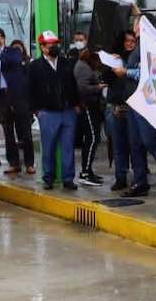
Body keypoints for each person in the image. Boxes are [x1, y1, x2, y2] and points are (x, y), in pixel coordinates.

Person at [116, 15, 156, 201]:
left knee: (150, 141)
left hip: (146, 103)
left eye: (136, 24)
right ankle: (140, 182)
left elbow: (149, 72)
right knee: (135, 144)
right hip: (133, 103)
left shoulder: (152, 45)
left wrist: (126, 71)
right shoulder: (139, 46)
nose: (134, 27)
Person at [29, 31, 81, 191]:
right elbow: (29, 89)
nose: (54, 47)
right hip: (48, 113)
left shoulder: (66, 63)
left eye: (55, 44)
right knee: (48, 147)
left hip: (68, 111)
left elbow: (73, 84)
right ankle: (48, 178)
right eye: (50, 44)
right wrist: (37, 111)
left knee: (68, 147)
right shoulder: (35, 66)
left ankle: (68, 179)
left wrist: (76, 105)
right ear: (42, 47)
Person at [0, 30, 35, 175]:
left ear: (3, 38)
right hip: (2, 99)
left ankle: (29, 163)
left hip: (19, 98)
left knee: (25, 132)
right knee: (8, 133)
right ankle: (13, 163)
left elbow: (15, 60)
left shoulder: (13, 53)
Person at [104, 30, 138, 191]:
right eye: (127, 41)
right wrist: (111, 64)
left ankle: (138, 179)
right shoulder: (115, 59)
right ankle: (120, 178)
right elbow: (106, 78)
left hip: (134, 109)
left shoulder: (139, 60)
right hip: (116, 109)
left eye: (133, 41)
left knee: (136, 146)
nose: (129, 44)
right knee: (118, 147)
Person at [74, 47, 106, 186]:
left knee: (92, 138)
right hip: (87, 106)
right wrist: (98, 87)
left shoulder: (84, 66)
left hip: (90, 106)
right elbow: (82, 88)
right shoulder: (84, 67)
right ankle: (85, 172)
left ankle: (88, 170)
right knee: (92, 138)